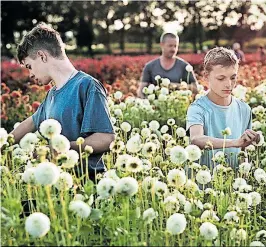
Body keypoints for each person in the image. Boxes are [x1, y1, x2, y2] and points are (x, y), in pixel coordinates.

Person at [10, 22, 115, 181]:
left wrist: (61, 148)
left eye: (29, 66)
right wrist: (4, 143)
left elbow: (106, 139)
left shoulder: (87, 86)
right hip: (61, 185)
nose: (30, 74)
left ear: (42, 56)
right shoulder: (52, 94)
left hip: (88, 183)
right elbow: (30, 122)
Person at [186, 47, 260, 170]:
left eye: (233, 78)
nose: (228, 84)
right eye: (221, 78)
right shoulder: (197, 108)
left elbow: (243, 151)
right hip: (203, 183)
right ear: (206, 76)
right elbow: (196, 138)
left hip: (232, 182)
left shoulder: (244, 109)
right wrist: (233, 143)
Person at [137, 32, 198, 98]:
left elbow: (195, 88)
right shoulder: (150, 66)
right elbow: (141, 91)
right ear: (162, 45)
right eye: (170, 46)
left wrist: (174, 86)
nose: (173, 49)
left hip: (178, 104)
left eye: (175, 46)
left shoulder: (185, 66)